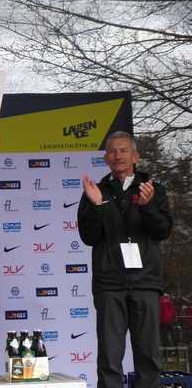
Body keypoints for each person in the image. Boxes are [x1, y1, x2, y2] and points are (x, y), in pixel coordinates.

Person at [78, 131, 173, 388]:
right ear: (105, 158)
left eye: (123, 150)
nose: (117, 155)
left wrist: (147, 206)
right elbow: (88, 236)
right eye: (112, 151)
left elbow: (162, 231)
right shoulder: (95, 191)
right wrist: (97, 206)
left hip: (146, 284)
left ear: (135, 156)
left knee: (149, 359)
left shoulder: (154, 190)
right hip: (110, 285)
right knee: (109, 360)